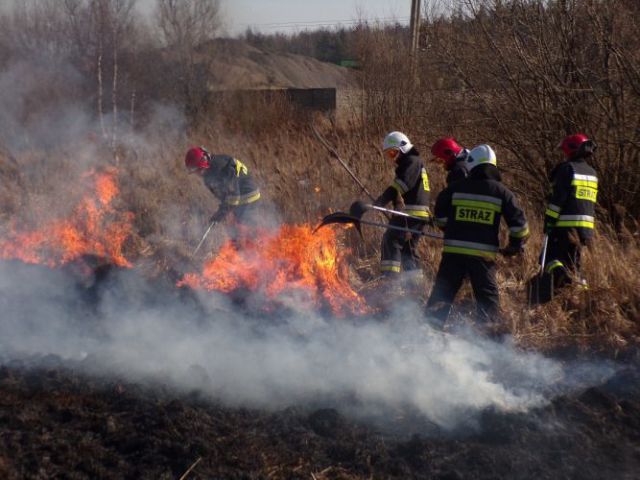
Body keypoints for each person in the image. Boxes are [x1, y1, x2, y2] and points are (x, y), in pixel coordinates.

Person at [426, 144, 529, 326]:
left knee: (443, 292)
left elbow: (440, 218)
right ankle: (487, 339)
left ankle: (429, 331)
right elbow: (520, 226)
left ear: (471, 164)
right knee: (487, 299)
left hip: (453, 252)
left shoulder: (454, 188)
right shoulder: (502, 192)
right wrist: (514, 246)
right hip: (483, 256)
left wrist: (449, 229)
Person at [543, 134, 598, 291]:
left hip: (564, 227)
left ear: (570, 149)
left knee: (550, 259)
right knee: (574, 264)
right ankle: (579, 291)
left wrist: (549, 222)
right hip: (585, 231)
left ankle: (557, 287)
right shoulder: (592, 172)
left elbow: (558, 200)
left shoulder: (567, 169)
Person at [374, 131, 432, 281]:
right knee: (408, 250)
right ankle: (414, 286)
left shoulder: (412, 161)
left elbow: (400, 186)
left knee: (391, 239)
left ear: (403, 147)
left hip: (412, 214)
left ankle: (389, 280)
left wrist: (381, 200)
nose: (392, 157)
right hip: (417, 214)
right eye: (389, 154)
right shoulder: (414, 162)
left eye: (393, 152)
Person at [185, 146, 261, 236]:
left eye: (198, 170)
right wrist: (221, 214)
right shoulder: (209, 173)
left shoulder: (220, 167)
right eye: (195, 171)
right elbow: (225, 196)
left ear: (203, 162)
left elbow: (234, 196)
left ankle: (258, 244)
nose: (198, 174)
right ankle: (241, 246)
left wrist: (219, 216)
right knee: (233, 228)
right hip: (241, 198)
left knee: (241, 228)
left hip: (247, 196)